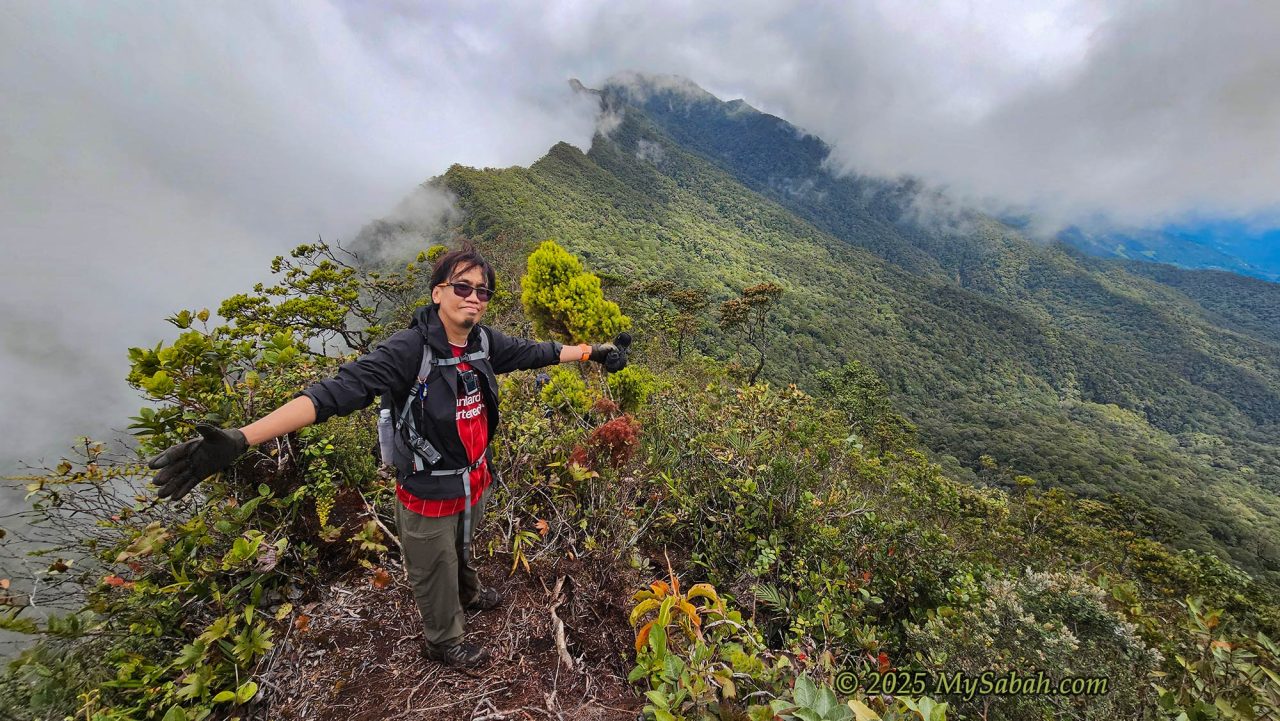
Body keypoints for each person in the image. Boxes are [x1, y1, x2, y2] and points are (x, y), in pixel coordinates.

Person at [146, 243, 628, 668]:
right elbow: (330, 395)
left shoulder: (482, 343)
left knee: (461, 547)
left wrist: (594, 352)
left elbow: (539, 350)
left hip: (472, 480)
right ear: (437, 292)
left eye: (483, 291)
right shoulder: (407, 351)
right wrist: (243, 438)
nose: (474, 298)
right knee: (431, 564)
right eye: (463, 287)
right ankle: (443, 641)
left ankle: (469, 593)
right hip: (426, 487)